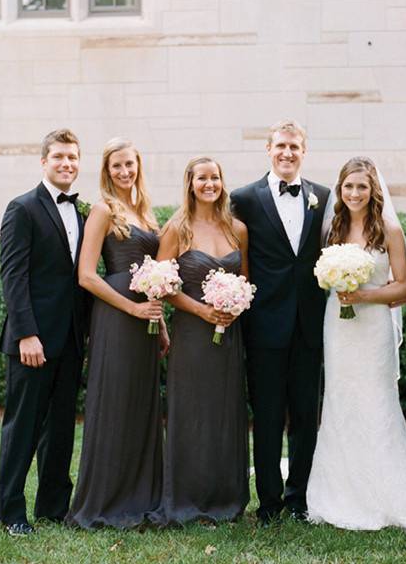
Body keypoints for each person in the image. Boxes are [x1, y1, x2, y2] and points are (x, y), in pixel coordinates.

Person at [306, 157, 406, 534]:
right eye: (348, 187)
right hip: (339, 328)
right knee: (341, 400)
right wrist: (341, 287)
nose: (355, 193)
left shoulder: (389, 229)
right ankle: (338, 492)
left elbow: (405, 286)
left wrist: (366, 295)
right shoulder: (332, 227)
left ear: (373, 189)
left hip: (373, 325)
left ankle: (386, 495)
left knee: (376, 399)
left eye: (362, 186)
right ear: (340, 189)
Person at [230, 120, 331, 525]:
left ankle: (300, 498)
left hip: (309, 323)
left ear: (304, 151)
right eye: (280, 146)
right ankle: (269, 500)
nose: (287, 153)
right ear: (268, 150)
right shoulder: (244, 199)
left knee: (306, 415)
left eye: (294, 147)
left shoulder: (322, 196)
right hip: (265, 324)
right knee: (268, 416)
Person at [66, 137, 168, 529]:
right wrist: (133, 308)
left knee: (142, 404)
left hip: (146, 320)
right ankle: (106, 500)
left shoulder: (146, 213)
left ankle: (142, 493)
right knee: (116, 401)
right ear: (107, 171)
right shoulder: (102, 210)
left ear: (139, 166)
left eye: (130, 165)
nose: (124, 172)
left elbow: (155, 276)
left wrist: (157, 324)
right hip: (116, 316)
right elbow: (87, 276)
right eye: (116, 167)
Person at [0, 128, 90, 536]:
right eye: (58, 157)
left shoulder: (83, 213)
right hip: (32, 341)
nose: (66, 164)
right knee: (23, 428)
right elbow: (13, 277)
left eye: (72, 157)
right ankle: (11, 512)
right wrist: (25, 334)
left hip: (70, 339)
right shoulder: (22, 208)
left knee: (61, 428)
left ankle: (53, 506)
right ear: (44, 162)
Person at [153, 156, 250, 525]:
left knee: (224, 412)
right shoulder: (177, 229)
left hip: (229, 336)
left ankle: (226, 495)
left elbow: (246, 280)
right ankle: (187, 496)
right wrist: (201, 311)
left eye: (215, 178)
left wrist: (235, 306)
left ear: (222, 182)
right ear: (190, 184)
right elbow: (162, 286)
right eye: (202, 179)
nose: (209, 184)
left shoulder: (237, 229)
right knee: (192, 412)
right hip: (192, 335)